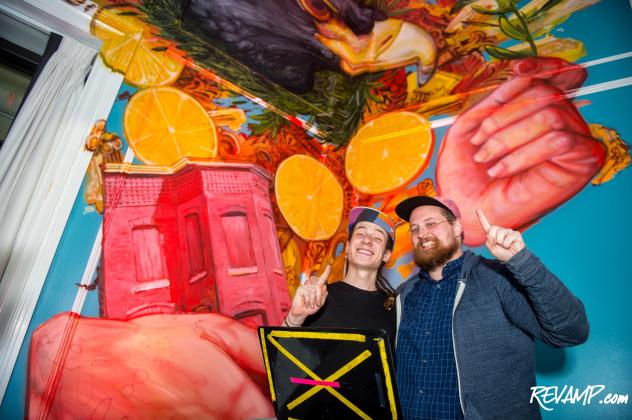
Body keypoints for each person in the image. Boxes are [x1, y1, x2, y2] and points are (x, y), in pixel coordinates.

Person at [393, 195, 589, 420]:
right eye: (415, 229)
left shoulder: (497, 278)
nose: (421, 233)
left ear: (457, 227)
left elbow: (572, 332)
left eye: (431, 223)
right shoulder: (404, 294)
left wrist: (521, 260)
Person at [283, 206, 398, 349]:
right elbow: (280, 360)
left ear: (386, 255)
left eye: (377, 238)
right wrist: (294, 319)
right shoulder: (318, 297)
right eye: (360, 234)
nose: (367, 240)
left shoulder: (395, 309)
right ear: (348, 247)